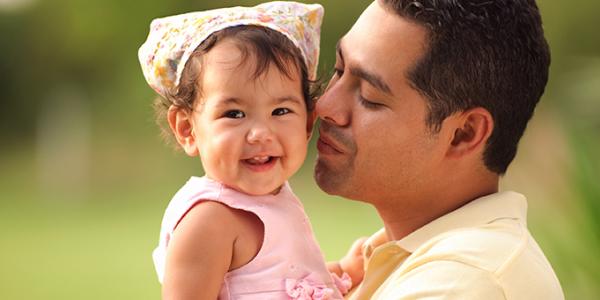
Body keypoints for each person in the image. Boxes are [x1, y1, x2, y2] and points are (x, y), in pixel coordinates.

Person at [314, 0, 564, 299]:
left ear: (464, 134)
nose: (324, 106)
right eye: (339, 69)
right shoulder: (385, 261)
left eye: (369, 96)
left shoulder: (464, 280)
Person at [138, 2, 360, 299]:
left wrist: (341, 270)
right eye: (234, 114)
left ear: (308, 122)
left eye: (281, 111)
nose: (260, 133)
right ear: (187, 129)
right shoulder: (209, 222)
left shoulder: (275, 200)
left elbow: (277, 282)